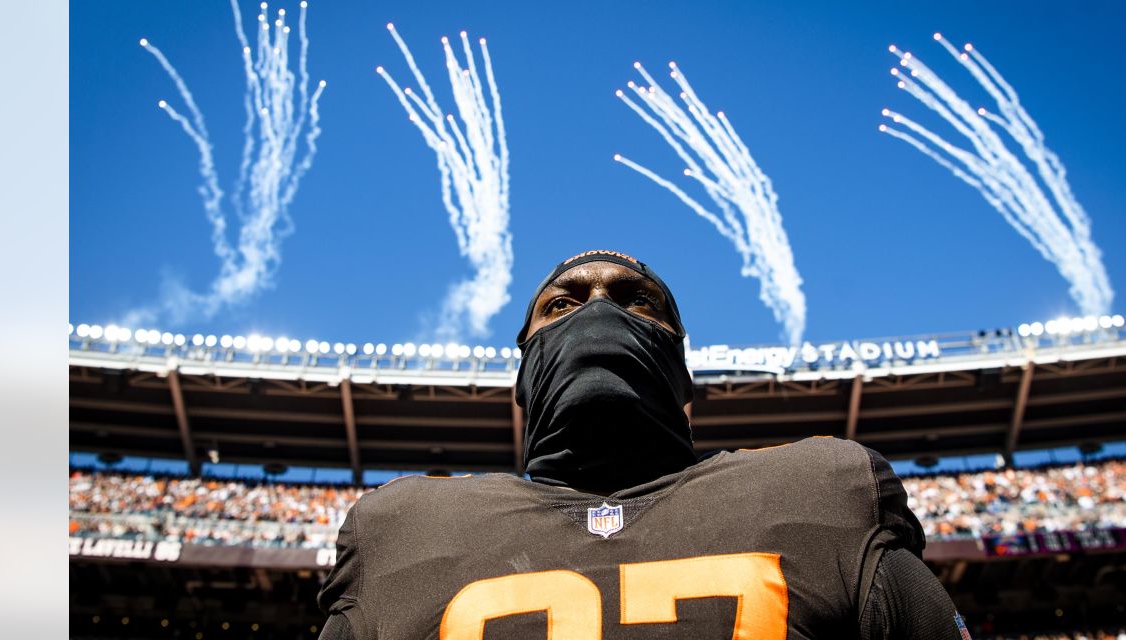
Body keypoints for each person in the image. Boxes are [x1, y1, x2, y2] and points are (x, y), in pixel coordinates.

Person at [318, 250, 968, 639]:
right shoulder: (398, 531)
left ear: (684, 373)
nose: (599, 310)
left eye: (638, 302)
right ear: (522, 372)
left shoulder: (826, 490)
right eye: (561, 305)